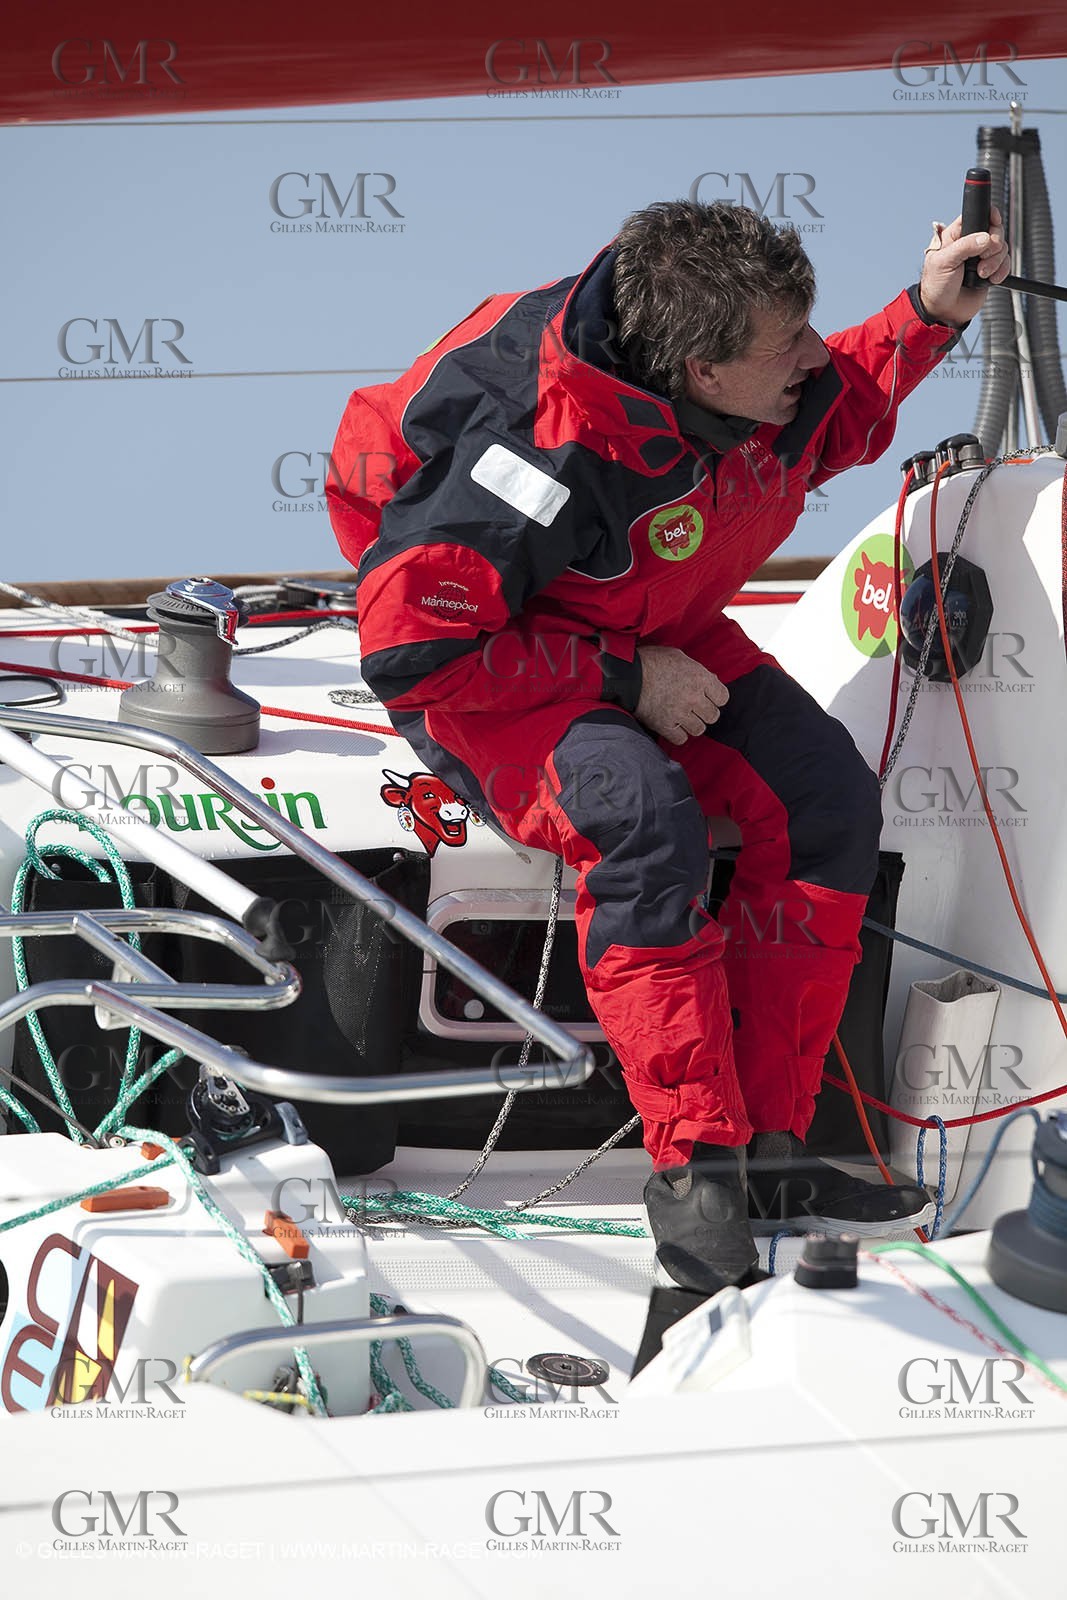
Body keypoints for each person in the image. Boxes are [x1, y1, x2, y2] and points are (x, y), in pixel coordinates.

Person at [327, 198, 1009, 1293]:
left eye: (802, 327)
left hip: (659, 625)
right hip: (498, 670)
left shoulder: (756, 387)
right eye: (783, 344)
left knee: (828, 800)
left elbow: (837, 405)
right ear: (697, 372)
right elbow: (412, 650)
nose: (807, 359)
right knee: (644, 822)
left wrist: (928, 312)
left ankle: (773, 1152)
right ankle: (694, 1168)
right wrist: (622, 680)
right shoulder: (526, 454)